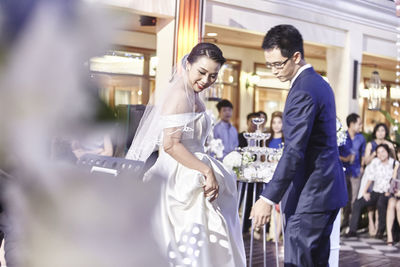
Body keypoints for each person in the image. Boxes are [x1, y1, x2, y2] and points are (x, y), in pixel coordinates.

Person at [126, 43, 245, 266]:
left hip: (190, 167)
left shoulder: (192, 94)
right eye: (202, 72)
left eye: (213, 75)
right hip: (180, 175)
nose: (206, 80)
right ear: (187, 64)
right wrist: (206, 170)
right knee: (188, 242)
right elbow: (171, 144)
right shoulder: (180, 95)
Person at [250, 24, 347, 266]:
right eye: (269, 64)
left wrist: (268, 198)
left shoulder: (303, 90)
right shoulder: (320, 84)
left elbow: (293, 150)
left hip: (311, 196)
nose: (273, 71)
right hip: (325, 193)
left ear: (296, 56)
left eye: (278, 64)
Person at [347, 144, 393, 239]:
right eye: (378, 152)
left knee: (381, 203)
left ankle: (380, 231)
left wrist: (390, 191)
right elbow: (370, 179)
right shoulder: (375, 162)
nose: (381, 154)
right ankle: (352, 230)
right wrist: (364, 192)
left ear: (387, 152)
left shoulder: (393, 163)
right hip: (376, 192)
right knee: (358, 203)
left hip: (387, 193)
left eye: (383, 151)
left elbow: (395, 180)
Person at [359, 122, 394, 236]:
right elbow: (365, 162)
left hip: (384, 175)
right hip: (371, 174)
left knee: (380, 202)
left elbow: (393, 161)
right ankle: (371, 224)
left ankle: (380, 227)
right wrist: (375, 153)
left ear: (386, 132)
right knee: (369, 201)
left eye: (383, 130)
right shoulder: (371, 144)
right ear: (375, 132)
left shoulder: (389, 144)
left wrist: (390, 149)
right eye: (378, 130)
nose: (380, 133)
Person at [340, 113, 366, 233]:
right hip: (343, 171)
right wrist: (345, 159)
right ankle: (342, 223)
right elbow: (335, 153)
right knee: (343, 198)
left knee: (354, 199)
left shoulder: (361, 138)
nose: (360, 126)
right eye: (359, 123)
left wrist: (362, 166)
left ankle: (351, 227)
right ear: (351, 124)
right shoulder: (341, 136)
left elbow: (363, 153)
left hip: (356, 172)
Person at [265, 111, 284, 242]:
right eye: (274, 122)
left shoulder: (286, 141)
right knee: (269, 204)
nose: (276, 125)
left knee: (279, 207)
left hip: (281, 177)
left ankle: (276, 235)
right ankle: (271, 234)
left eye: (279, 122)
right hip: (268, 176)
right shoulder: (267, 140)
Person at [386, 147, 400, 246]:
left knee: (399, 206)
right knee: (391, 203)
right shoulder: (397, 166)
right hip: (397, 194)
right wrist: (395, 169)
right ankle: (389, 236)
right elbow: (393, 184)